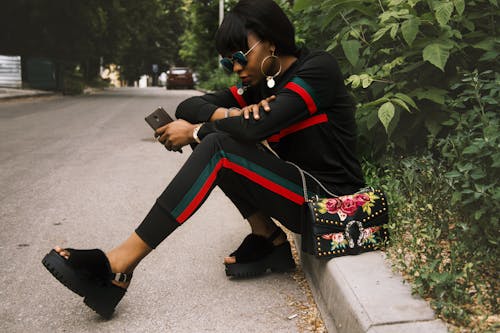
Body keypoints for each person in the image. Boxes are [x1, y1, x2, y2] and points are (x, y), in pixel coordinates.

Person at [42, 0, 365, 319]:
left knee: (216, 144)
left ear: (270, 41)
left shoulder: (317, 70)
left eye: (239, 57)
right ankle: (268, 237)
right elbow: (188, 107)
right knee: (217, 136)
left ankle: (119, 264)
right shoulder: (258, 87)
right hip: (298, 194)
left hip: (333, 204)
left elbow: (260, 125)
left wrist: (198, 131)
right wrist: (231, 114)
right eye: (228, 63)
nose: (236, 69)